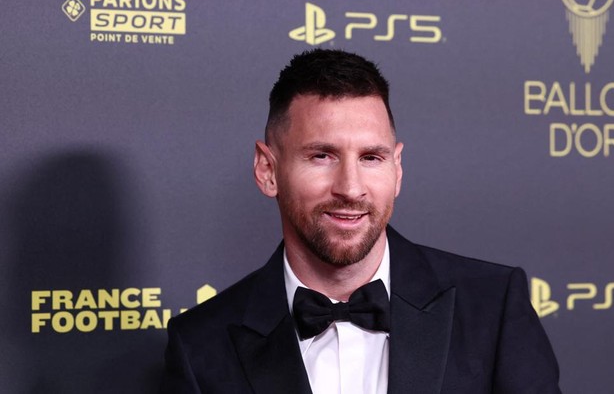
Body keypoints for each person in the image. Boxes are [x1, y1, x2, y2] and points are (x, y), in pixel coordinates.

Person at [160, 49, 561, 394]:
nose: (351, 189)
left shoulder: (492, 307)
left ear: (397, 168)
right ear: (268, 170)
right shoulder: (200, 344)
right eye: (322, 156)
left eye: (371, 157)